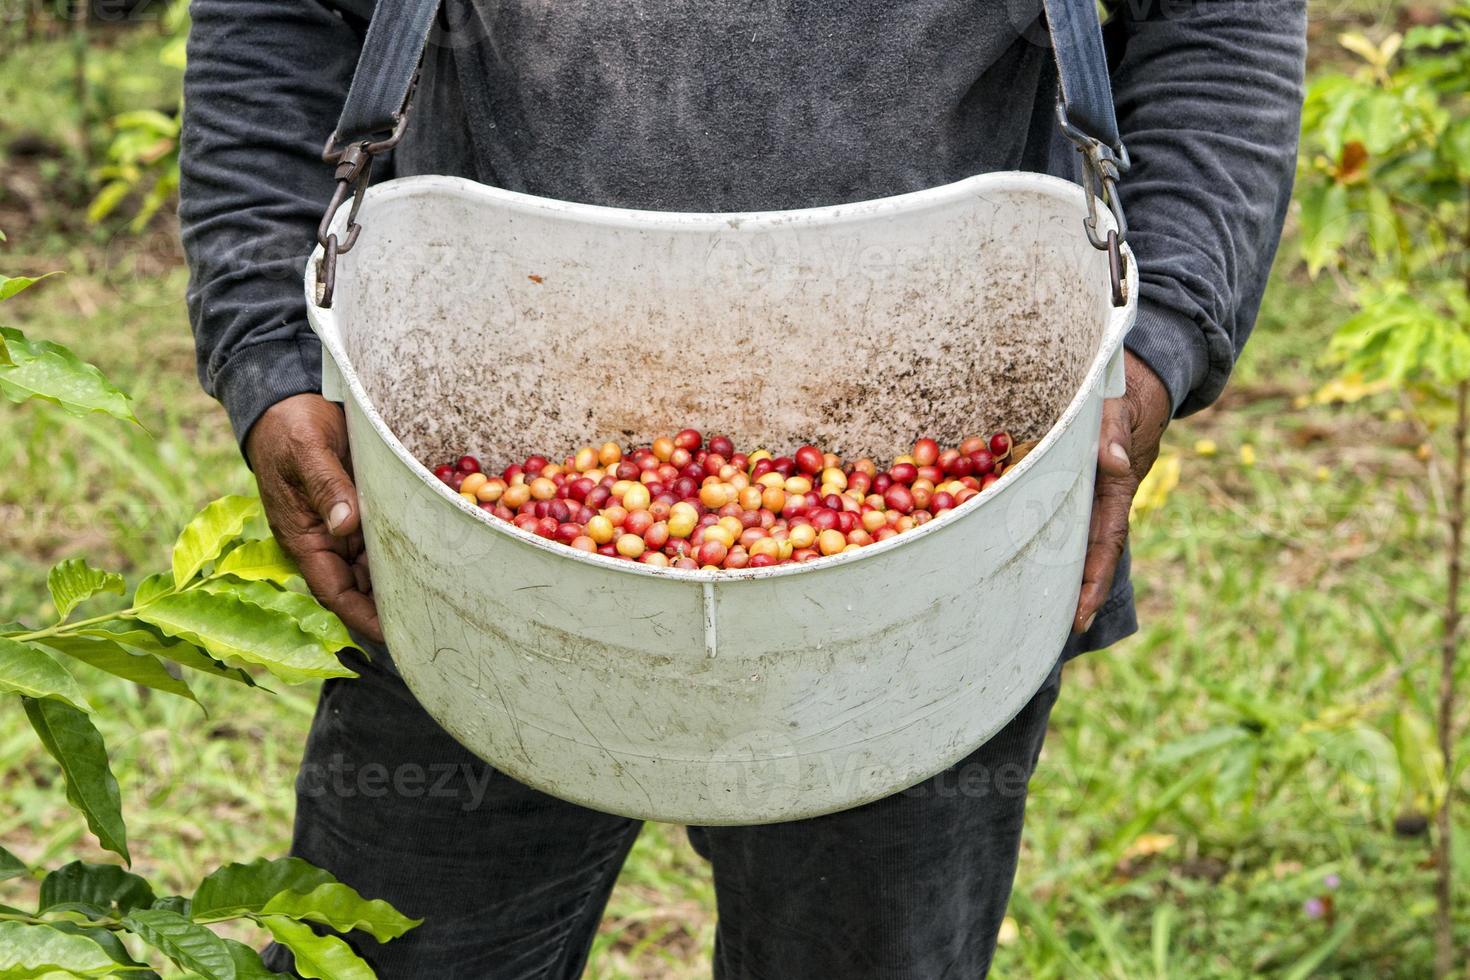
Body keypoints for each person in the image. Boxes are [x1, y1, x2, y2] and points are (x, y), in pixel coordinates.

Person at [179, 1, 1307, 975]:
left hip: (933, 549)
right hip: (462, 505)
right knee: (403, 945)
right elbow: (279, 21)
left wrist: (1154, 342)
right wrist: (271, 350)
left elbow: (1216, 26)